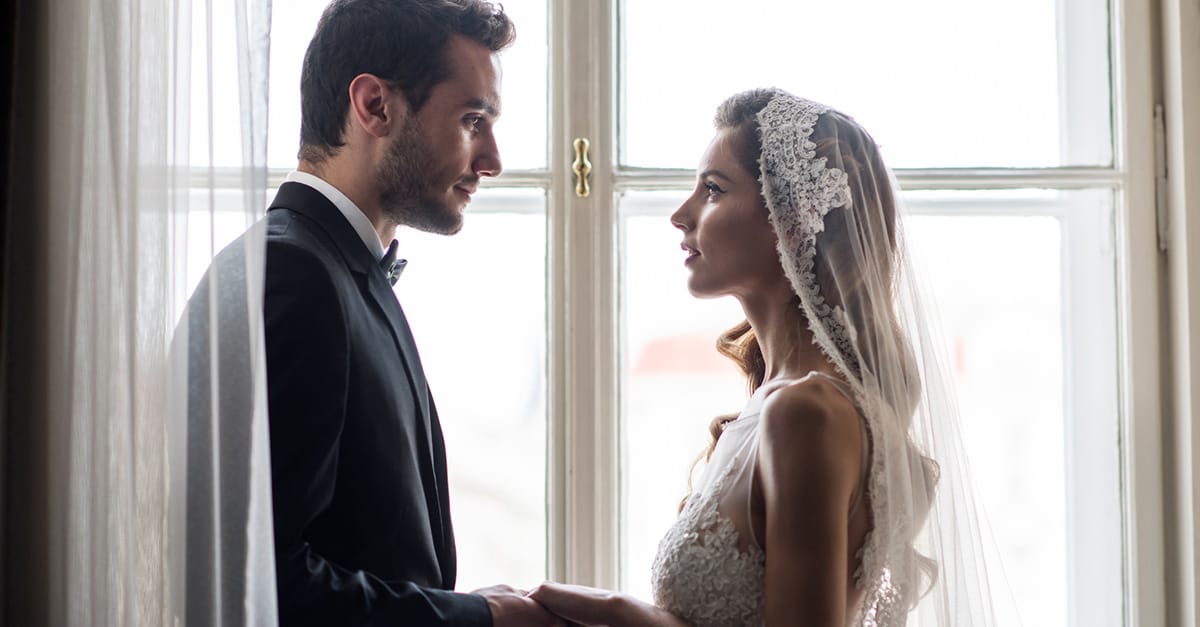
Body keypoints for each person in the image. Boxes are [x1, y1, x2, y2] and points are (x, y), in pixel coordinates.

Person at [529, 88, 1000, 626]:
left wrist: (629, 616)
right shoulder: (778, 402)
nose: (681, 215)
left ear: (791, 219)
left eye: (712, 189)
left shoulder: (806, 411)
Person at [189, 1, 563, 625]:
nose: (492, 159)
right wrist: (478, 620)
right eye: (474, 119)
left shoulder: (331, 269)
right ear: (374, 106)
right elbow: (261, 586)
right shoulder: (294, 278)